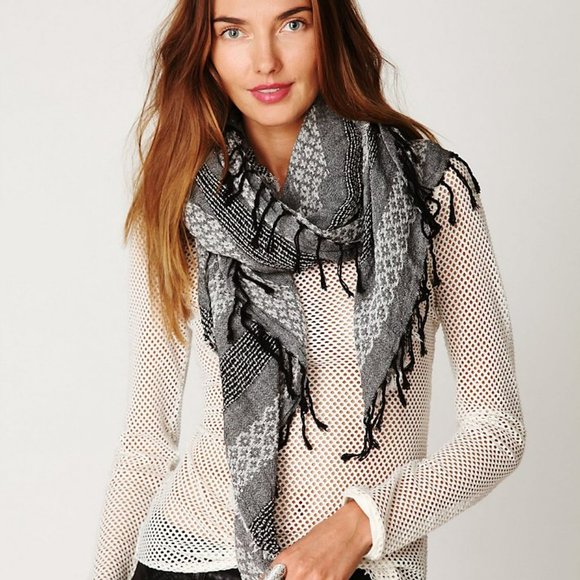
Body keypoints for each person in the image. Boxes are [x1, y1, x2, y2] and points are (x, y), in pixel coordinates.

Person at [91, 0, 527, 579]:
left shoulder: (427, 188)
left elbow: (497, 431)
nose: (265, 61)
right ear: (206, 50)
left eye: (292, 24)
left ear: (330, 32)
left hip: (357, 564)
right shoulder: (183, 198)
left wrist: (363, 524)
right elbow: (147, 437)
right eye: (233, 32)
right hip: (193, 552)